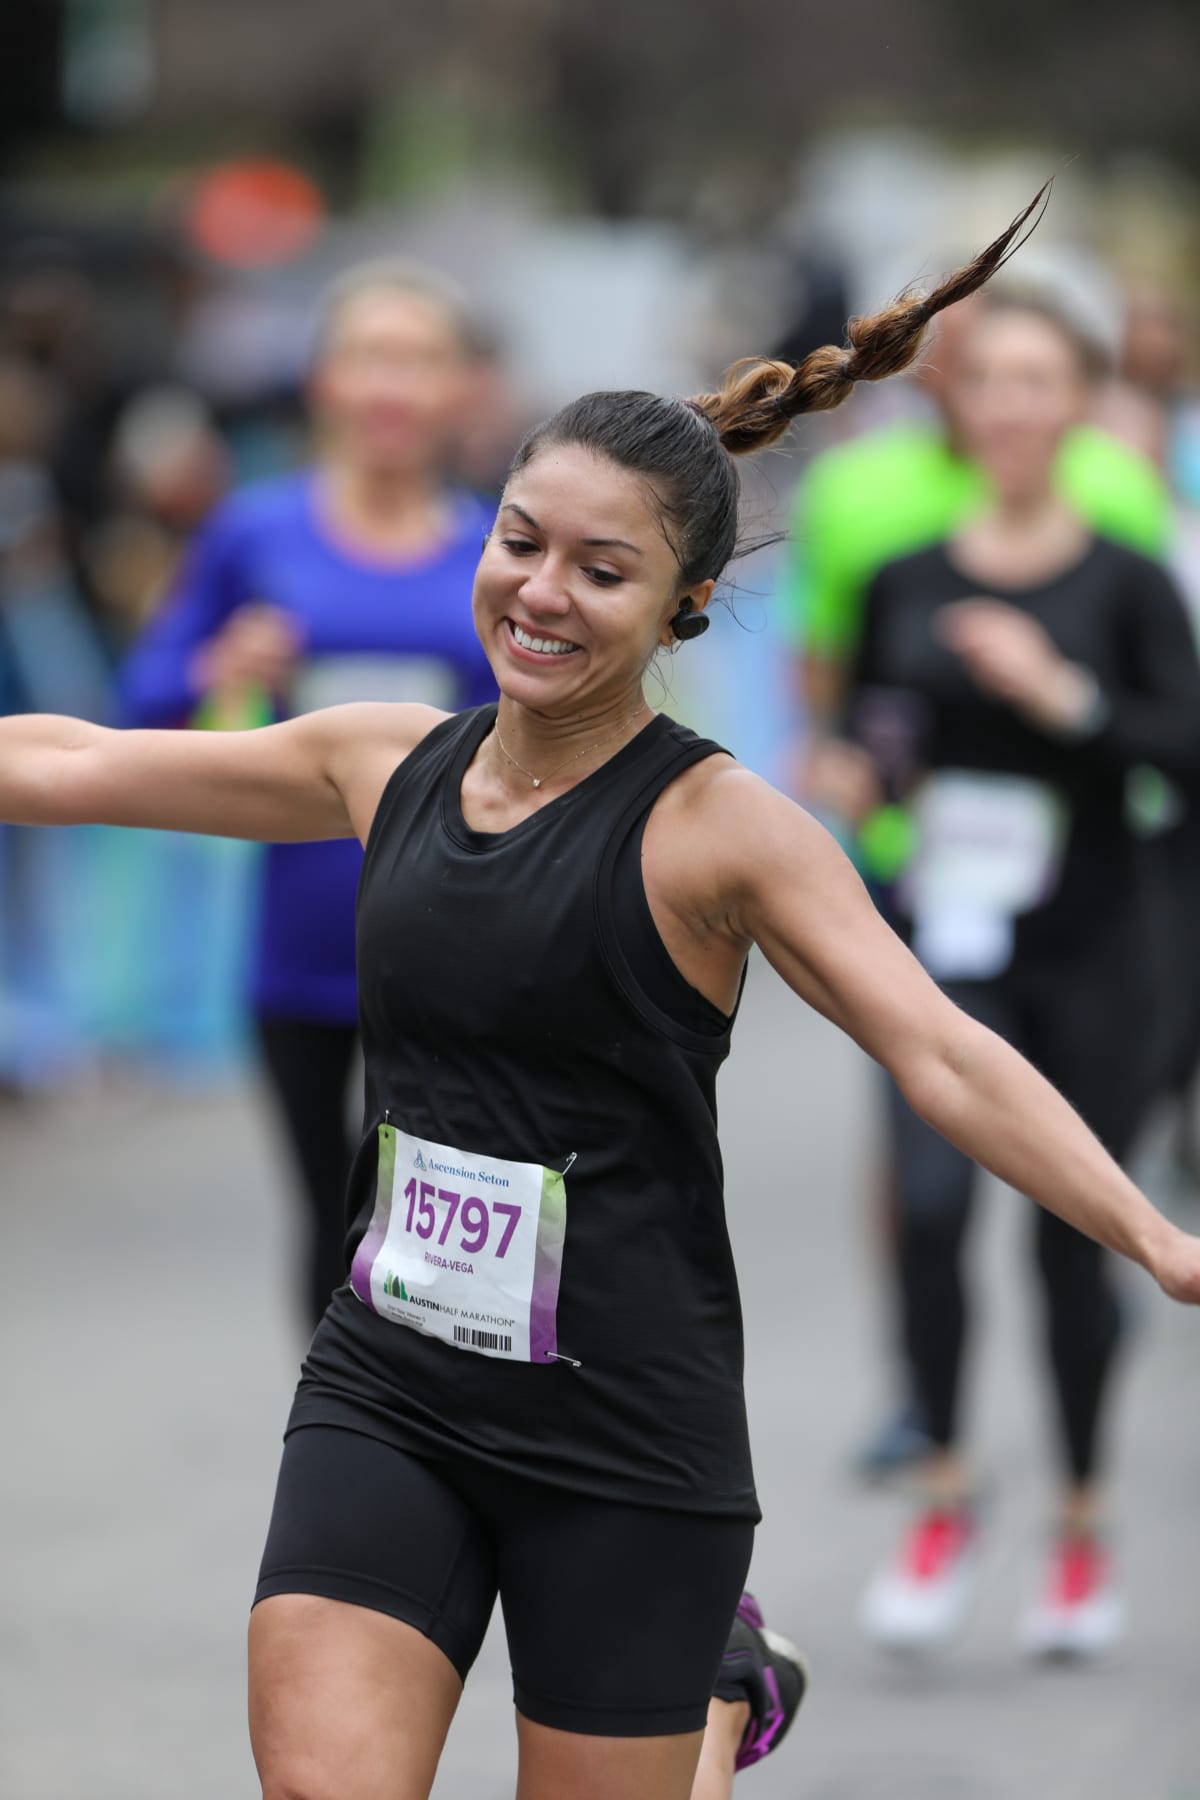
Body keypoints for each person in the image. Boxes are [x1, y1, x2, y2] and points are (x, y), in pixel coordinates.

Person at [5, 195, 1200, 1800]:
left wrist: (1160, 1241)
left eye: (603, 568)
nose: (542, 594)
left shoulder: (724, 833)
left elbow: (939, 1049)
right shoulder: (382, 761)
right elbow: (75, 762)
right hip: (392, 1376)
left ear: (683, 606)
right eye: (519, 543)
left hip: (627, 1430)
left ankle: (721, 1682)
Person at [845, 291, 1200, 1659]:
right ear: (958, 400)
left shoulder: (1125, 577)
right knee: (929, 1211)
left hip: (1100, 950)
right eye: (987, 380)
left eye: (1039, 380)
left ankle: (1082, 1520)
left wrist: (1072, 701)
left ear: (1080, 402)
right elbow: (871, 730)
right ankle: (939, 1493)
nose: (1008, 405)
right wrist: (853, 770)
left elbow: (1183, 748)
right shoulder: (907, 575)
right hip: (946, 944)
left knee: (1073, 1242)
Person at [119, 262, 499, 1329]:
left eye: (421, 359)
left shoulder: (499, 547)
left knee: (415, 1224)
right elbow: (138, 703)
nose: (394, 385)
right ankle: (341, 1462)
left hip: (448, 944)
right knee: (330, 1218)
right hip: (297, 947)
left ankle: (435, 1454)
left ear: (460, 387)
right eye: (370, 355)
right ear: (324, 380)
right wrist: (216, 667)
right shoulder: (255, 533)